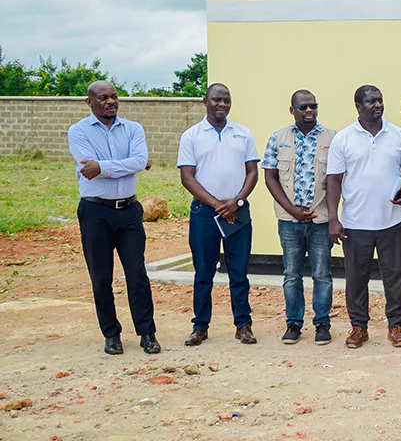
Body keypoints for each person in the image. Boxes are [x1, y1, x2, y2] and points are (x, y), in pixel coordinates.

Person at [67, 80, 160, 355]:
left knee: (137, 274)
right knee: (101, 277)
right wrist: (132, 164)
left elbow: (138, 160)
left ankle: (147, 333)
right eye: (103, 97)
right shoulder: (78, 131)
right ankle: (111, 334)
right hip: (95, 213)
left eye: (114, 96)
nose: (110, 101)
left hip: (129, 213)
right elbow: (88, 167)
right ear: (90, 102)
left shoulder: (133, 129)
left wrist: (105, 166)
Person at [326, 85, 401, 349]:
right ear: (358, 106)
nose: (377, 105)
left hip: (393, 220)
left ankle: (396, 325)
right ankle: (359, 327)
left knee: (395, 276)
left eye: (380, 100)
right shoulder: (343, 138)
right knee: (356, 278)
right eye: (371, 102)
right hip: (355, 223)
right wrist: (334, 219)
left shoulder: (397, 136)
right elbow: (333, 181)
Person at [178, 83, 260, 346]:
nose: (222, 104)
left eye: (226, 100)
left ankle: (243, 325)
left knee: (239, 272)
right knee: (203, 273)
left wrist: (237, 201)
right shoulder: (191, 136)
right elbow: (187, 178)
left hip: (237, 214)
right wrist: (217, 204)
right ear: (205, 101)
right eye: (216, 99)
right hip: (205, 214)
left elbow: (252, 173)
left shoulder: (243, 134)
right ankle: (200, 326)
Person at [262, 90, 337, 346]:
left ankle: (322, 324)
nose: (309, 111)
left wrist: (335, 217)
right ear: (292, 109)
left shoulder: (332, 138)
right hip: (289, 220)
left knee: (322, 274)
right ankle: (293, 323)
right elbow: (270, 177)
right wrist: (291, 209)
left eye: (313, 106)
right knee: (292, 274)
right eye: (303, 107)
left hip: (321, 219)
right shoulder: (278, 138)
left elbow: (337, 181)